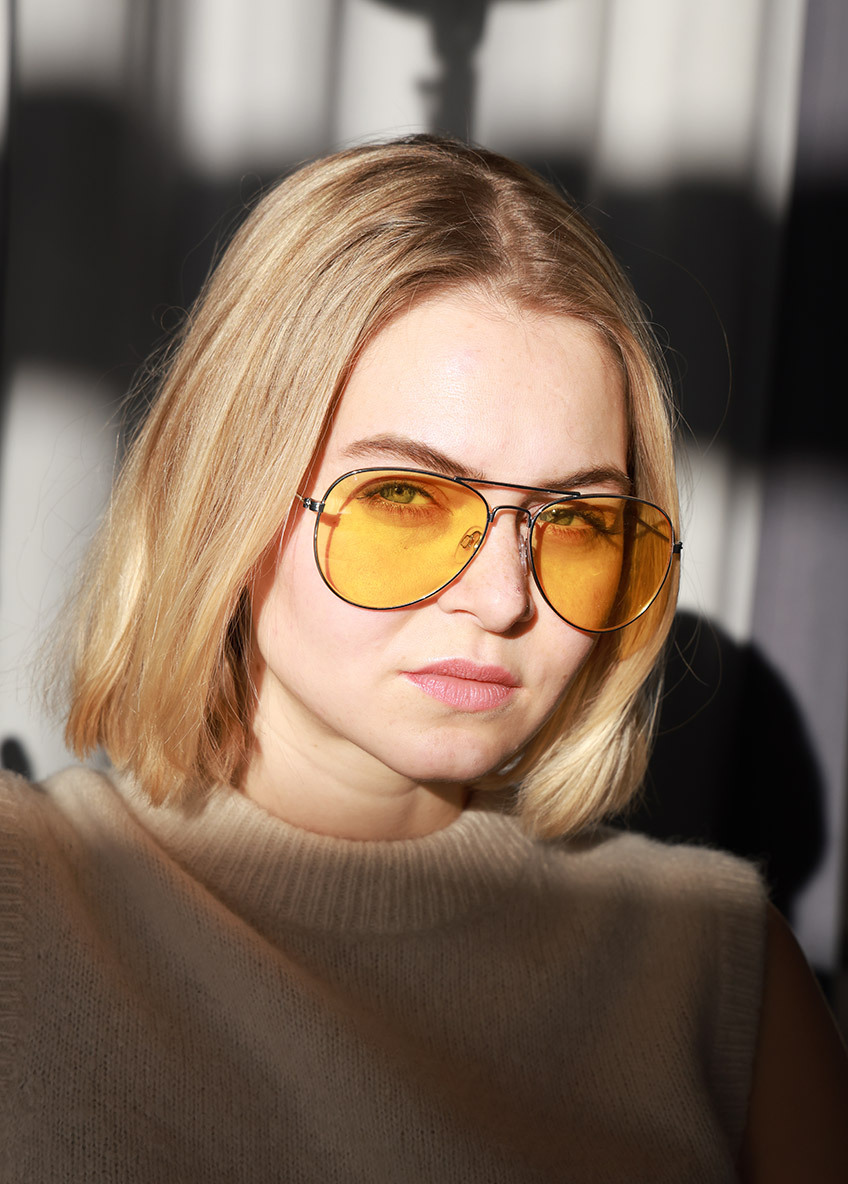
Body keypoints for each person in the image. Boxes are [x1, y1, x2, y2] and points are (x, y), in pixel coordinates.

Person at [1, 135, 845, 1183]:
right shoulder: (28, 894)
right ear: (225, 497)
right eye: (402, 496)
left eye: (578, 520)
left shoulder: (718, 972)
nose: (502, 600)